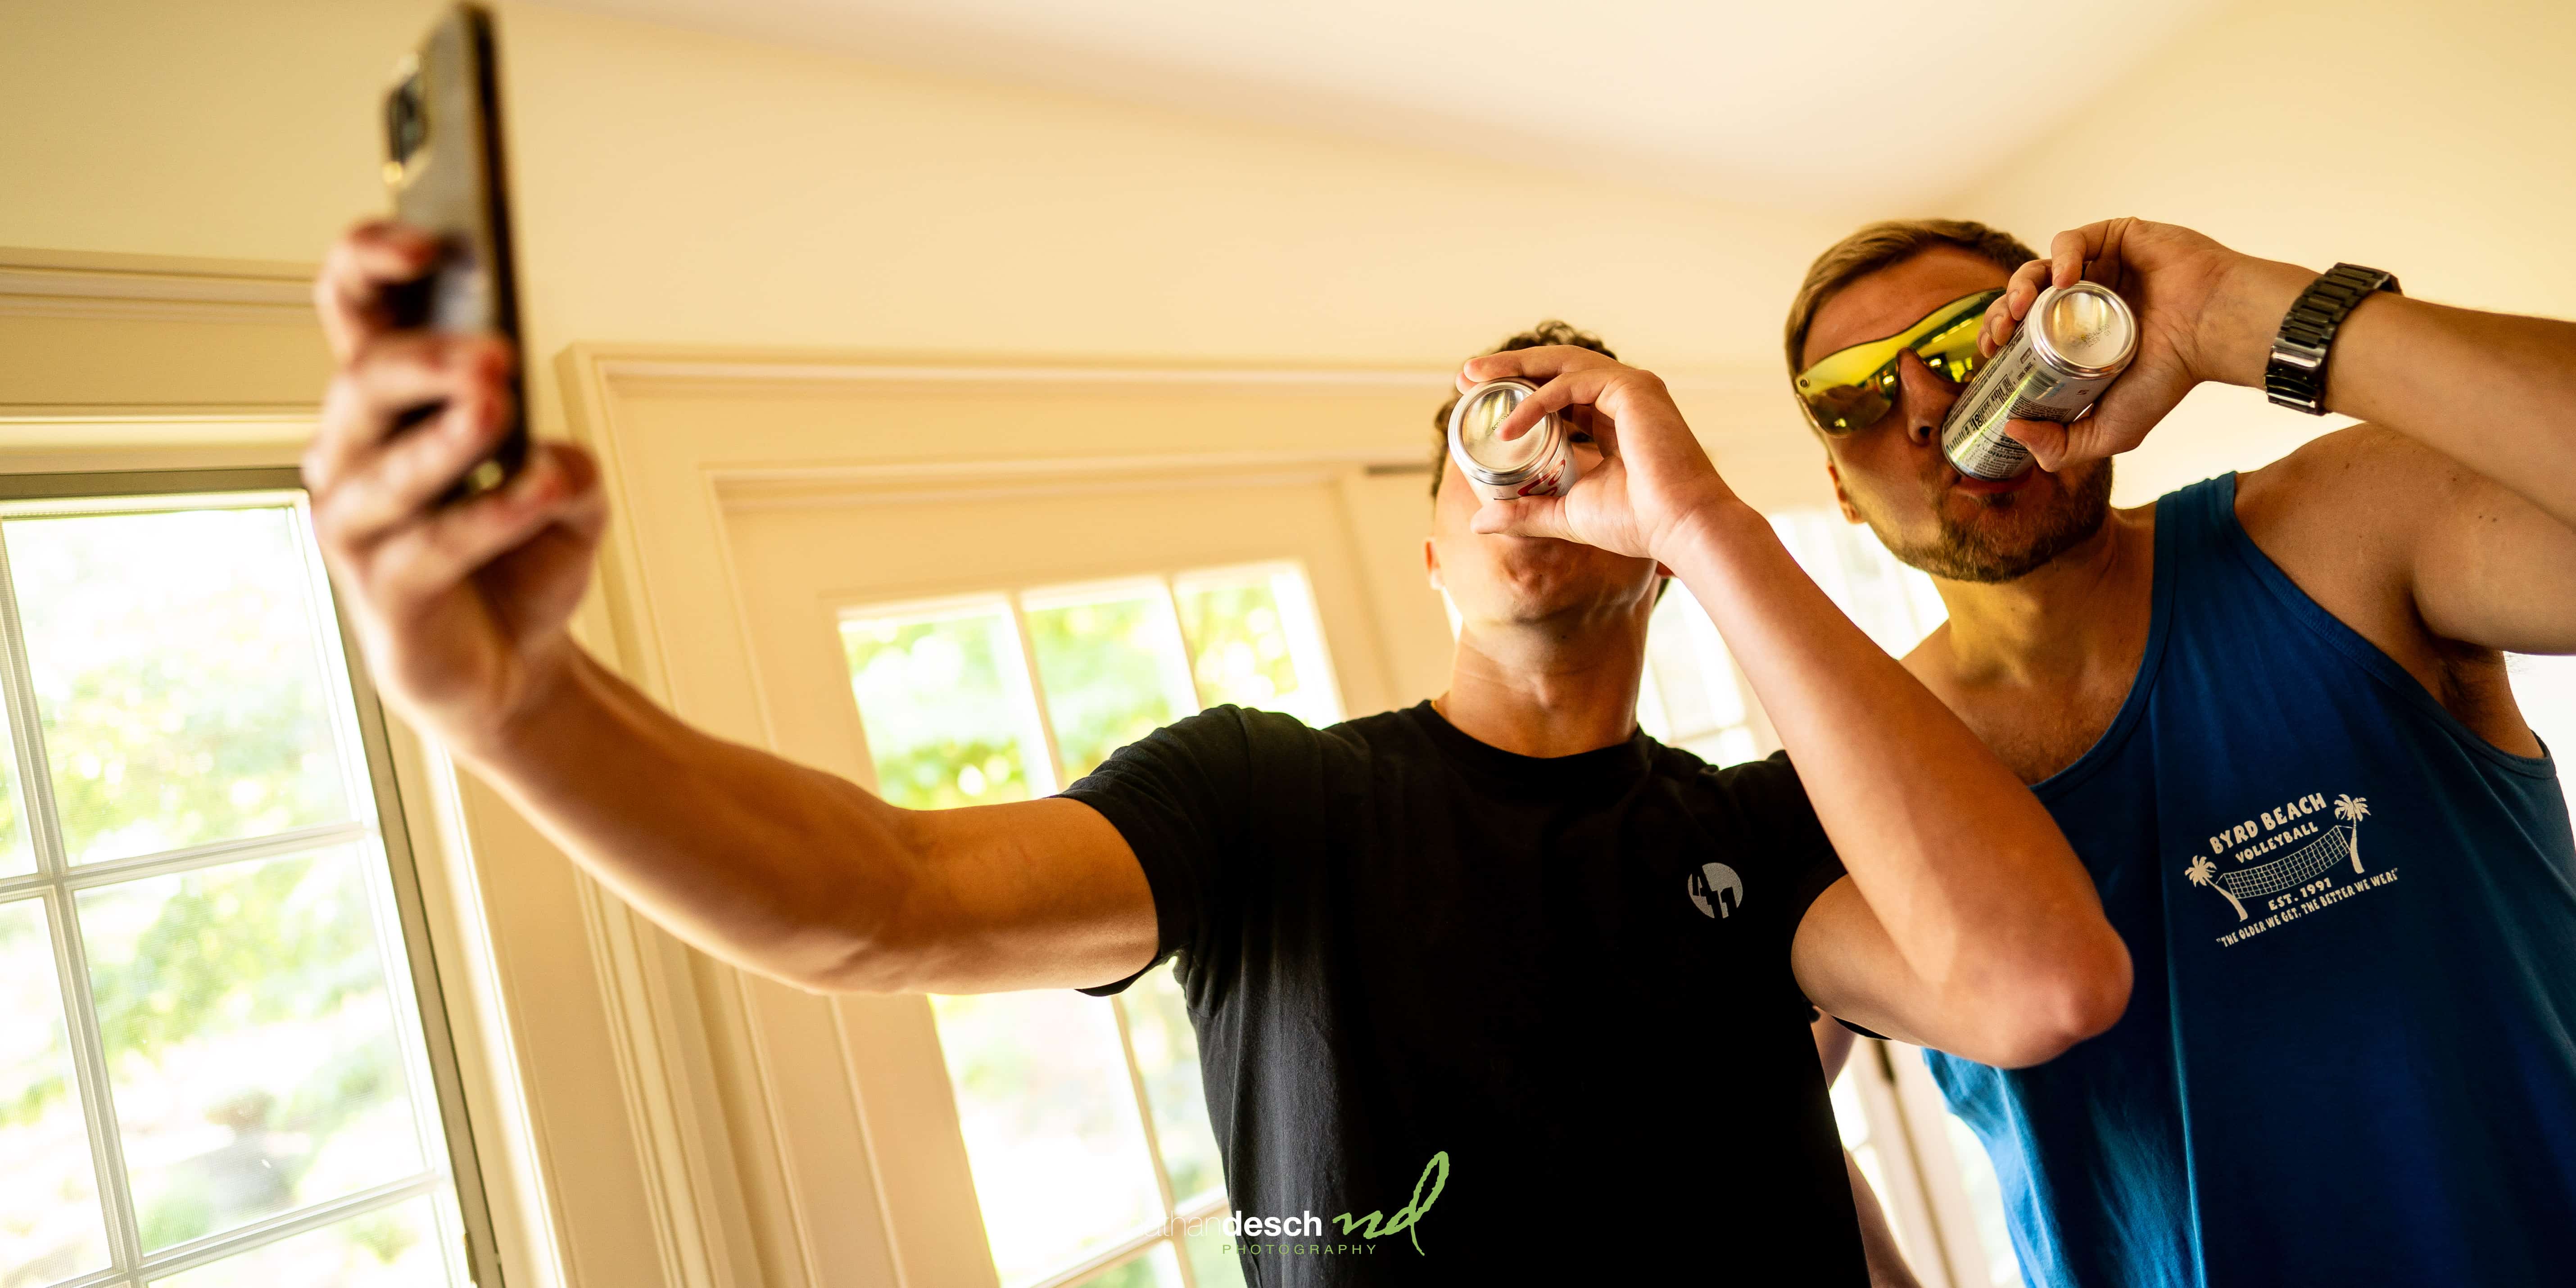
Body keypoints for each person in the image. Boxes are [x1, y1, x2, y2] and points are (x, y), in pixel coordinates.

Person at [303, 222, 2130, 1283]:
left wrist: (1706, 519)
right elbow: (877, 900)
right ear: (1429, 545)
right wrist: (504, 696)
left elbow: (2032, 981)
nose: (1539, 466)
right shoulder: (1271, 799)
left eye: (1584, 441)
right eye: (1487, 439)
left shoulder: (1754, 826)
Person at [1780, 215, 2576, 1288]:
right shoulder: (1850, 781)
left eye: (1968, 343)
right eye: (1855, 397)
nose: (1926, 405)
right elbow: (1725, 1138)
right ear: (1835, 484)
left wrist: (2233, 316)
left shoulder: (2338, 535)